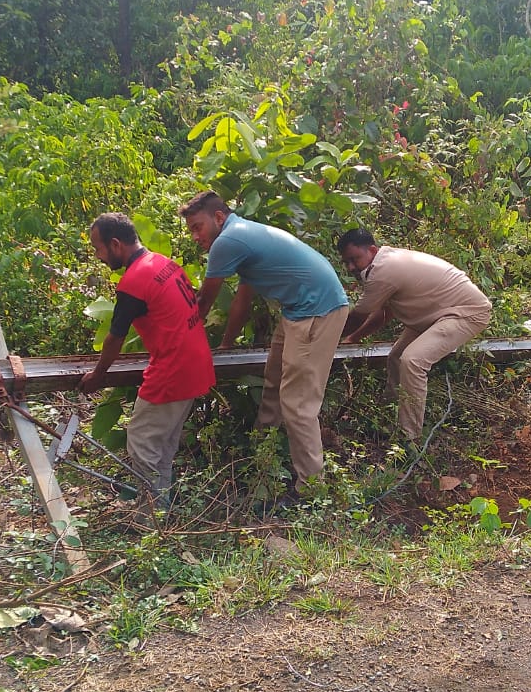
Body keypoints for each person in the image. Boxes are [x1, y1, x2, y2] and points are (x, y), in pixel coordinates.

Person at [179, 191, 349, 494]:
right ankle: (263, 453)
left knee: (298, 404)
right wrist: (226, 345)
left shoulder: (228, 242)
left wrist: (180, 344)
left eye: (197, 226)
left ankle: (311, 489)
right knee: (273, 379)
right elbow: (241, 303)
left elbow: (203, 302)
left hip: (316, 311)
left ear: (218, 217)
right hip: (298, 310)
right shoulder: (244, 236)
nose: (195, 236)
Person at [79, 213, 215, 509]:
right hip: (196, 364)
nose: (98, 256)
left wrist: (98, 375)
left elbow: (115, 337)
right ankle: (159, 514)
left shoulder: (134, 280)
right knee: (162, 447)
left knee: (142, 445)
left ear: (115, 244)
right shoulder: (163, 263)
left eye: (98, 248)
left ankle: (150, 520)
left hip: (173, 371)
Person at [337, 229, 492, 445]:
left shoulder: (383, 270)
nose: (351, 267)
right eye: (347, 262)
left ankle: (409, 438)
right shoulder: (386, 263)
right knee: (396, 357)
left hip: (466, 312)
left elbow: (357, 317)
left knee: (413, 361)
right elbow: (385, 313)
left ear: (372, 250)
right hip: (436, 313)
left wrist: (331, 338)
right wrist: (353, 338)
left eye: (354, 259)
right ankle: (389, 416)